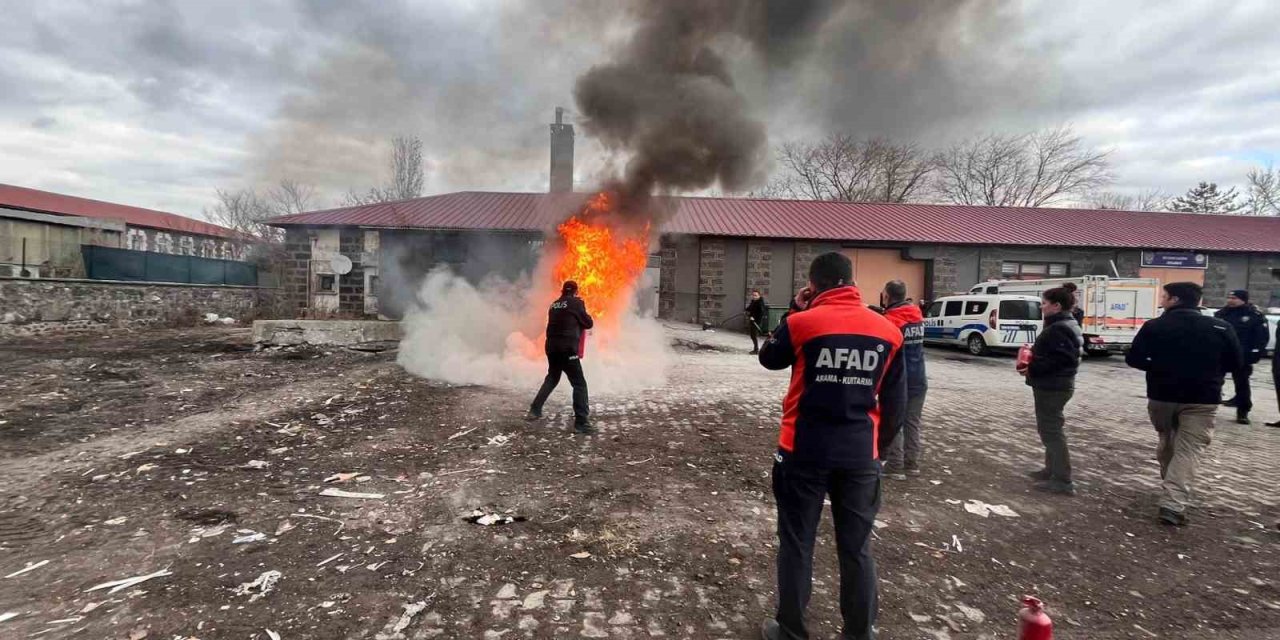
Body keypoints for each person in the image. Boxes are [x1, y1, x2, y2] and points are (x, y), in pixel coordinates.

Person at [758, 252, 906, 640]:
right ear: (851, 282)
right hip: (860, 457)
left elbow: (769, 358)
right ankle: (859, 632)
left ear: (814, 284)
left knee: (797, 542)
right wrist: (878, 450)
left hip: (802, 452)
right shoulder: (888, 330)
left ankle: (790, 629)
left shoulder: (802, 323)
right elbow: (895, 404)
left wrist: (795, 310)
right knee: (856, 549)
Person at [1126, 282, 1243, 526]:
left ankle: (1171, 495)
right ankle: (1173, 501)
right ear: (1198, 301)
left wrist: (1159, 367)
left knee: (1167, 440)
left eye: (1164, 297)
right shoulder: (1221, 327)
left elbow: (1134, 358)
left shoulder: (1155, 326)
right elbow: (1236, 362)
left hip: (1161, 396)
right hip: (1203, 397)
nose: (1162, 300)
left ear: (1175, 300)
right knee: (1188, 449)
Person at [1018, 287, 1083, 496]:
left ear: (1057, 306)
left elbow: (1062, 359)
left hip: (1054, 386)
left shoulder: (1059, 328)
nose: (1042, 307)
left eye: (1045, 303)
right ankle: (1051, 469)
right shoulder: (1064, 324)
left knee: (1051, 430)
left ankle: (1062, 479)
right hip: (1054, 384)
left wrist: (1033, 366)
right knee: (1048, 428)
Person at [526, 280, 595, 434]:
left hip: (551, 348)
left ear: (563, 291)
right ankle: (581, 423)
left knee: (552, 378)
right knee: (579, 384)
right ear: (575, 291)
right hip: (567, 349)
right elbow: (588, 323)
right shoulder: (576, 303)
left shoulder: (554, 304)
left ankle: (535, 409)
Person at [878, 280, 928, 479]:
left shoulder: (891, 321)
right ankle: (912, 464)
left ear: (887, 297)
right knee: (912, 422)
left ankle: (895, 465)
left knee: (895, 419)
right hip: (919, 378)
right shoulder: (917, 315)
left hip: (899, 379)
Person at [1215, 289, 1270, 424]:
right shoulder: (1221, 314)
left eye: (1234, 298)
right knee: (1215, 382)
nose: (1230, 300)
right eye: (1229, 298)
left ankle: (1243, 412)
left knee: (1242, 384)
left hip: (1242, 356)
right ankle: (1210, 406)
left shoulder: (1253, 315)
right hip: (1222, 355)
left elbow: (1261, 337)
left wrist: (1256, 353)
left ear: (1243, 300)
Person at [746, 289, 768, 355]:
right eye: (753, 295)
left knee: (754, 335)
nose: (754, 297)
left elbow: (762, 312)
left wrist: (754, 318)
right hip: (752, 320)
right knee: (752, 335)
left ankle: (756, 350)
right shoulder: (753, 301)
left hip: (757, 321)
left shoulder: (760, 303)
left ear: (759, 296)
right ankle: (756, 349)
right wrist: (746, 311)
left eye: (756, 295)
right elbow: (749, 308)